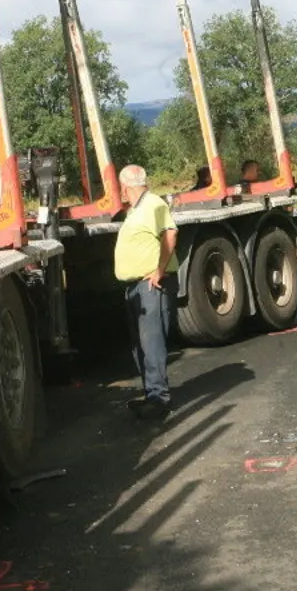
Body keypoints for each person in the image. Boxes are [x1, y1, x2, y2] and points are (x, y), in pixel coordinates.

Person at [114, 164, 179, 420]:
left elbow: (170, 233)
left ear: (124, 186)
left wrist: (159, 270)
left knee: (152, 342)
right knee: (140, 344)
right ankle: (151, 393)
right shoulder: (138, 208)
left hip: (151, 285)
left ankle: (159, 399)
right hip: (136, 287)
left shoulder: (153, 204)